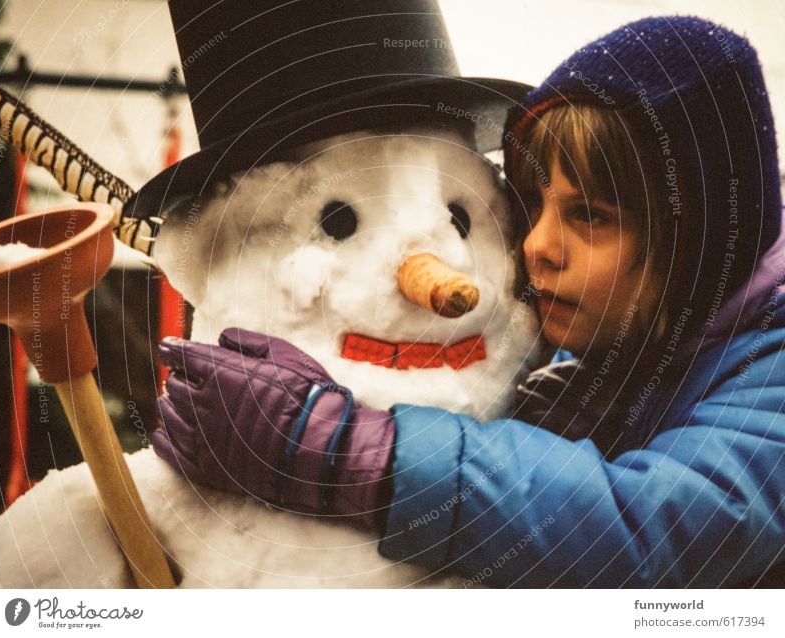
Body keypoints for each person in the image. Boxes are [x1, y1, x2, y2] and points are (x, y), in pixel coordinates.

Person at [153, 16, 785, 587]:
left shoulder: (770, 372)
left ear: (699, 238)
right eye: (533, 206)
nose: (537, 247)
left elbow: (660, 532)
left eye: (591, 216)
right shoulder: (600, 372)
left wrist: (333, 447)